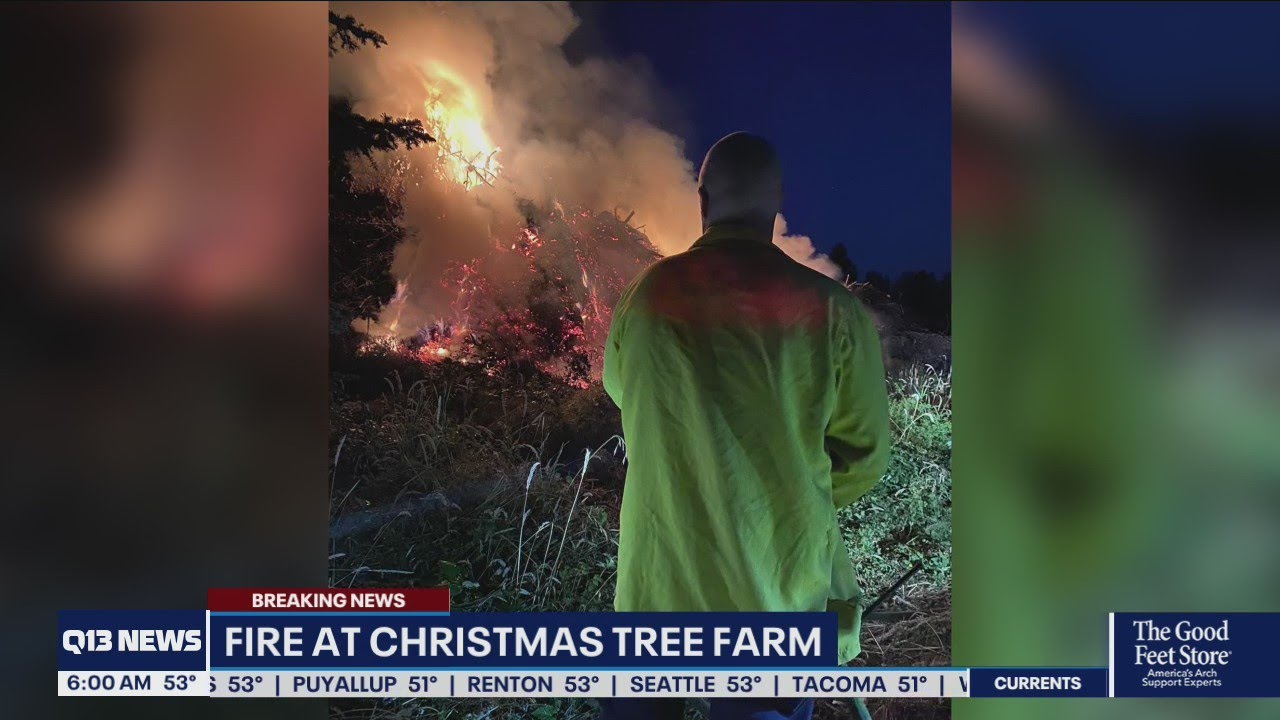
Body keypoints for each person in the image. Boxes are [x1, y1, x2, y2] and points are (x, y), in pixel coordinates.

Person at [599, 132, 891, 720]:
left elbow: (620, 389)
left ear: (702, 202)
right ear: (777, 202)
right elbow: (865, 456)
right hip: (774, 600)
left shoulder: (646, 297)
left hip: (658, 593)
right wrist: (785, 491)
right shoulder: (833, 311)